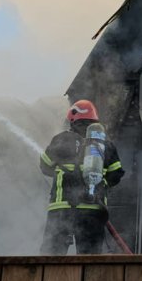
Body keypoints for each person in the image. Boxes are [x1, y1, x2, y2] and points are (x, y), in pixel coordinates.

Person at [39, 99, 124, 254]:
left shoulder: (61, 139)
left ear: (72, 120)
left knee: (50, 257)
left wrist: (65, 173)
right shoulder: (105, 144)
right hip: (92, 209)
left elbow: (44, 166)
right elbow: (117, 173)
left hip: (61, 209)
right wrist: (102, 184)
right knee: (90, 259)